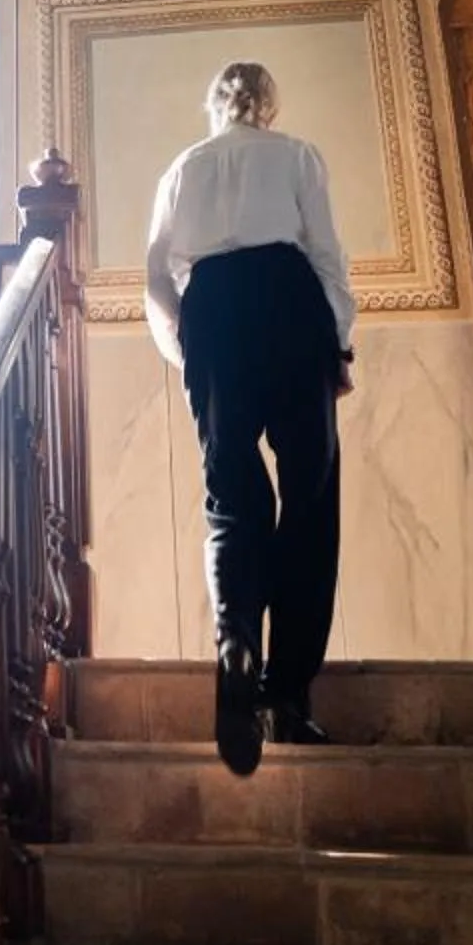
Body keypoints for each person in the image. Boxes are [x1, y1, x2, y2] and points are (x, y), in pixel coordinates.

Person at [143, 60, 356, 778]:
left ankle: (236, 642)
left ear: (215, 106)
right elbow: (325, 257)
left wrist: (190, 350)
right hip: (289, 304)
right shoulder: (296, 155)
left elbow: (155, 276)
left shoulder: (183, 168)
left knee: (231, 501)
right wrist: (339, 345)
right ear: (267, 105)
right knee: (309, 500)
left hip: (213, 310)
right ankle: (288, 695)